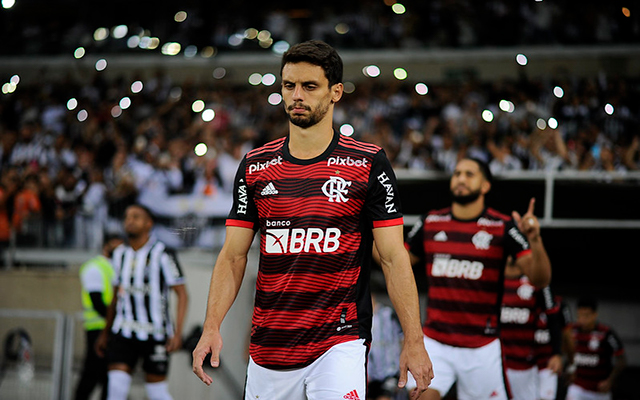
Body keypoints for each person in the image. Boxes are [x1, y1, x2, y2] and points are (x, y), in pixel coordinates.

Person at [191, 40, 433, 400]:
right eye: (289, 86)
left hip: (340, 339)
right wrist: (211, 325)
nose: (297, 95)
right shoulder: (255, 166)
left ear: (335, 92)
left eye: (309, 86)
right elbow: (232, 256)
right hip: (270, 345)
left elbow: (394, 256)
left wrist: (414, 340)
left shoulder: (368, 163)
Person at [404, 157, 552, 400]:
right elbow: (396, 262)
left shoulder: (502, 225)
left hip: (481, 347)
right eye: (457, 173)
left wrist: (535, 240)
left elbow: (540, 279)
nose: (461, 178)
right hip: (435, 342)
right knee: (421, 397)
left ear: (485, 186)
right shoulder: (430, 221)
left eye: (469, 174)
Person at [95, 204, 188, 400]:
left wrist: (178, 333)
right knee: (116, 389)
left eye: (136, 217)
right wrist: (106, 332)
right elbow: (115, 296)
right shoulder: (119, 254)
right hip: (124, 331)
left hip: (156, 333)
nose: (129, 220)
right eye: (127, 216)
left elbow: (182, 294)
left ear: (148, 224)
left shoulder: (163, 253)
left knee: (157, 393)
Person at [500, 257, 563, 400]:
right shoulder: (493, 279)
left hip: (525, 365)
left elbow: (553, 319)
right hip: (496, 362)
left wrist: (557, 353)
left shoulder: (537, 283)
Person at [75, 233, 124, 400]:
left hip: (112, 329)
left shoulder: (116, 267)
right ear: (106, 246)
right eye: (116, 246)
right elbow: (97, 302)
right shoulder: (95, 267)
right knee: (91, 374)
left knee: (109, 378)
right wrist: (116, 320)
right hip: (98, 329)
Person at [564, 297, 626, 400]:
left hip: (599, 391)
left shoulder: (606, 333)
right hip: (578, 387)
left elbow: (621, 360)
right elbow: (565, 352)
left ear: (594, 315)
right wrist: (569, 370)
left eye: (586, 316)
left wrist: (610, 381)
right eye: (580, 315)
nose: (582, 320)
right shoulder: (572, 331)